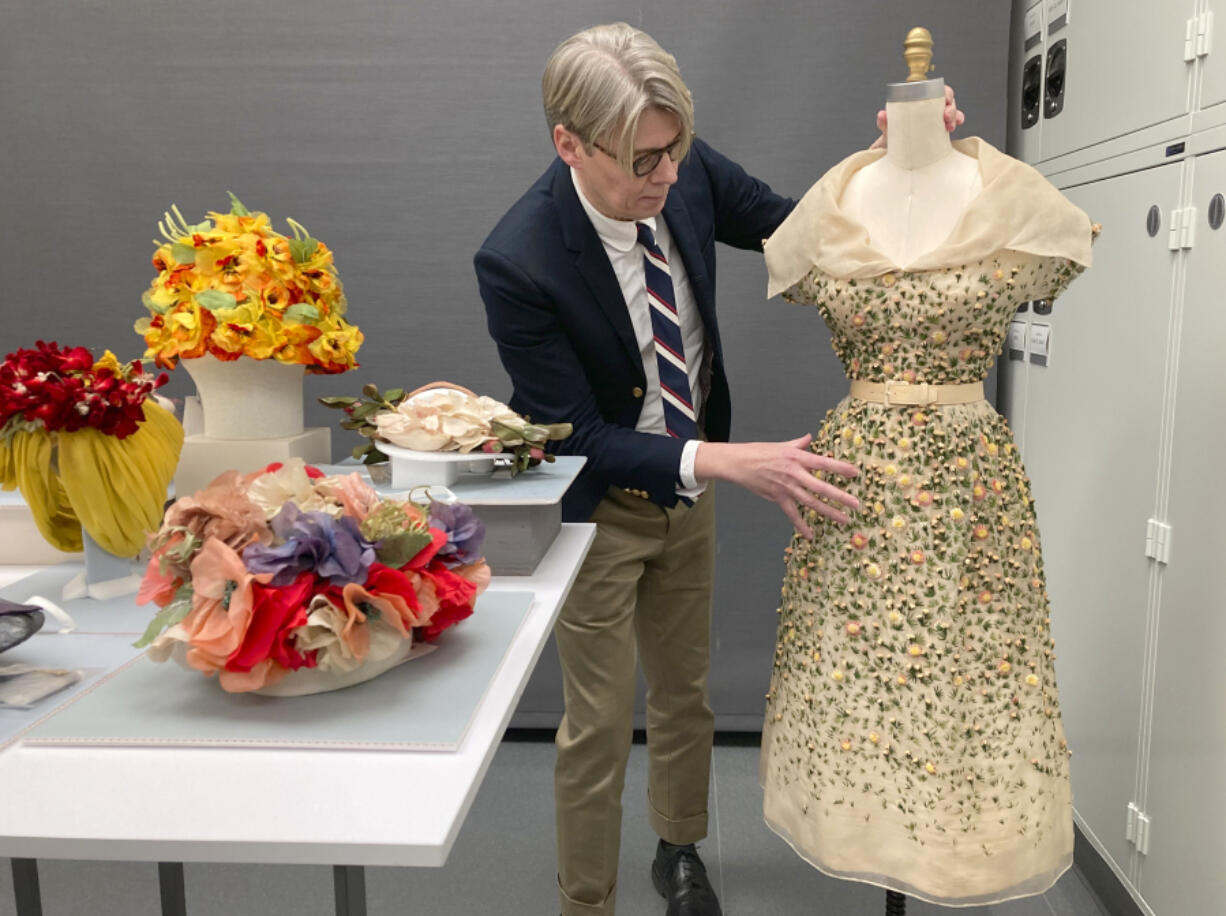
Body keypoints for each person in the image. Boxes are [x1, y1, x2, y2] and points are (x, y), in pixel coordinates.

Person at [475, 23, 959, 916]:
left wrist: (889, 160)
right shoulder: (520, 258)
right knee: (596, 724)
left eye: (674, 151)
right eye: (643, 161)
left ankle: (680, 852)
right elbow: (573, 432)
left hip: (689, 499)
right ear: (569, 145)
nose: (667, 177)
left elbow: (795, 223)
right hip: (598, 512)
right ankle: (585, 901)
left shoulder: (682, 168)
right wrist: (727, 460)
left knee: (686, 694)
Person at [758, 69, 1097, 908]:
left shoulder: (1012, 200)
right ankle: (867, 836)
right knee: (862, 677)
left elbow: (1067, 246)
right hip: (856, 483)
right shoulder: (833, 208)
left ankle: (952, 857)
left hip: (969, 486)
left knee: (968, 673)